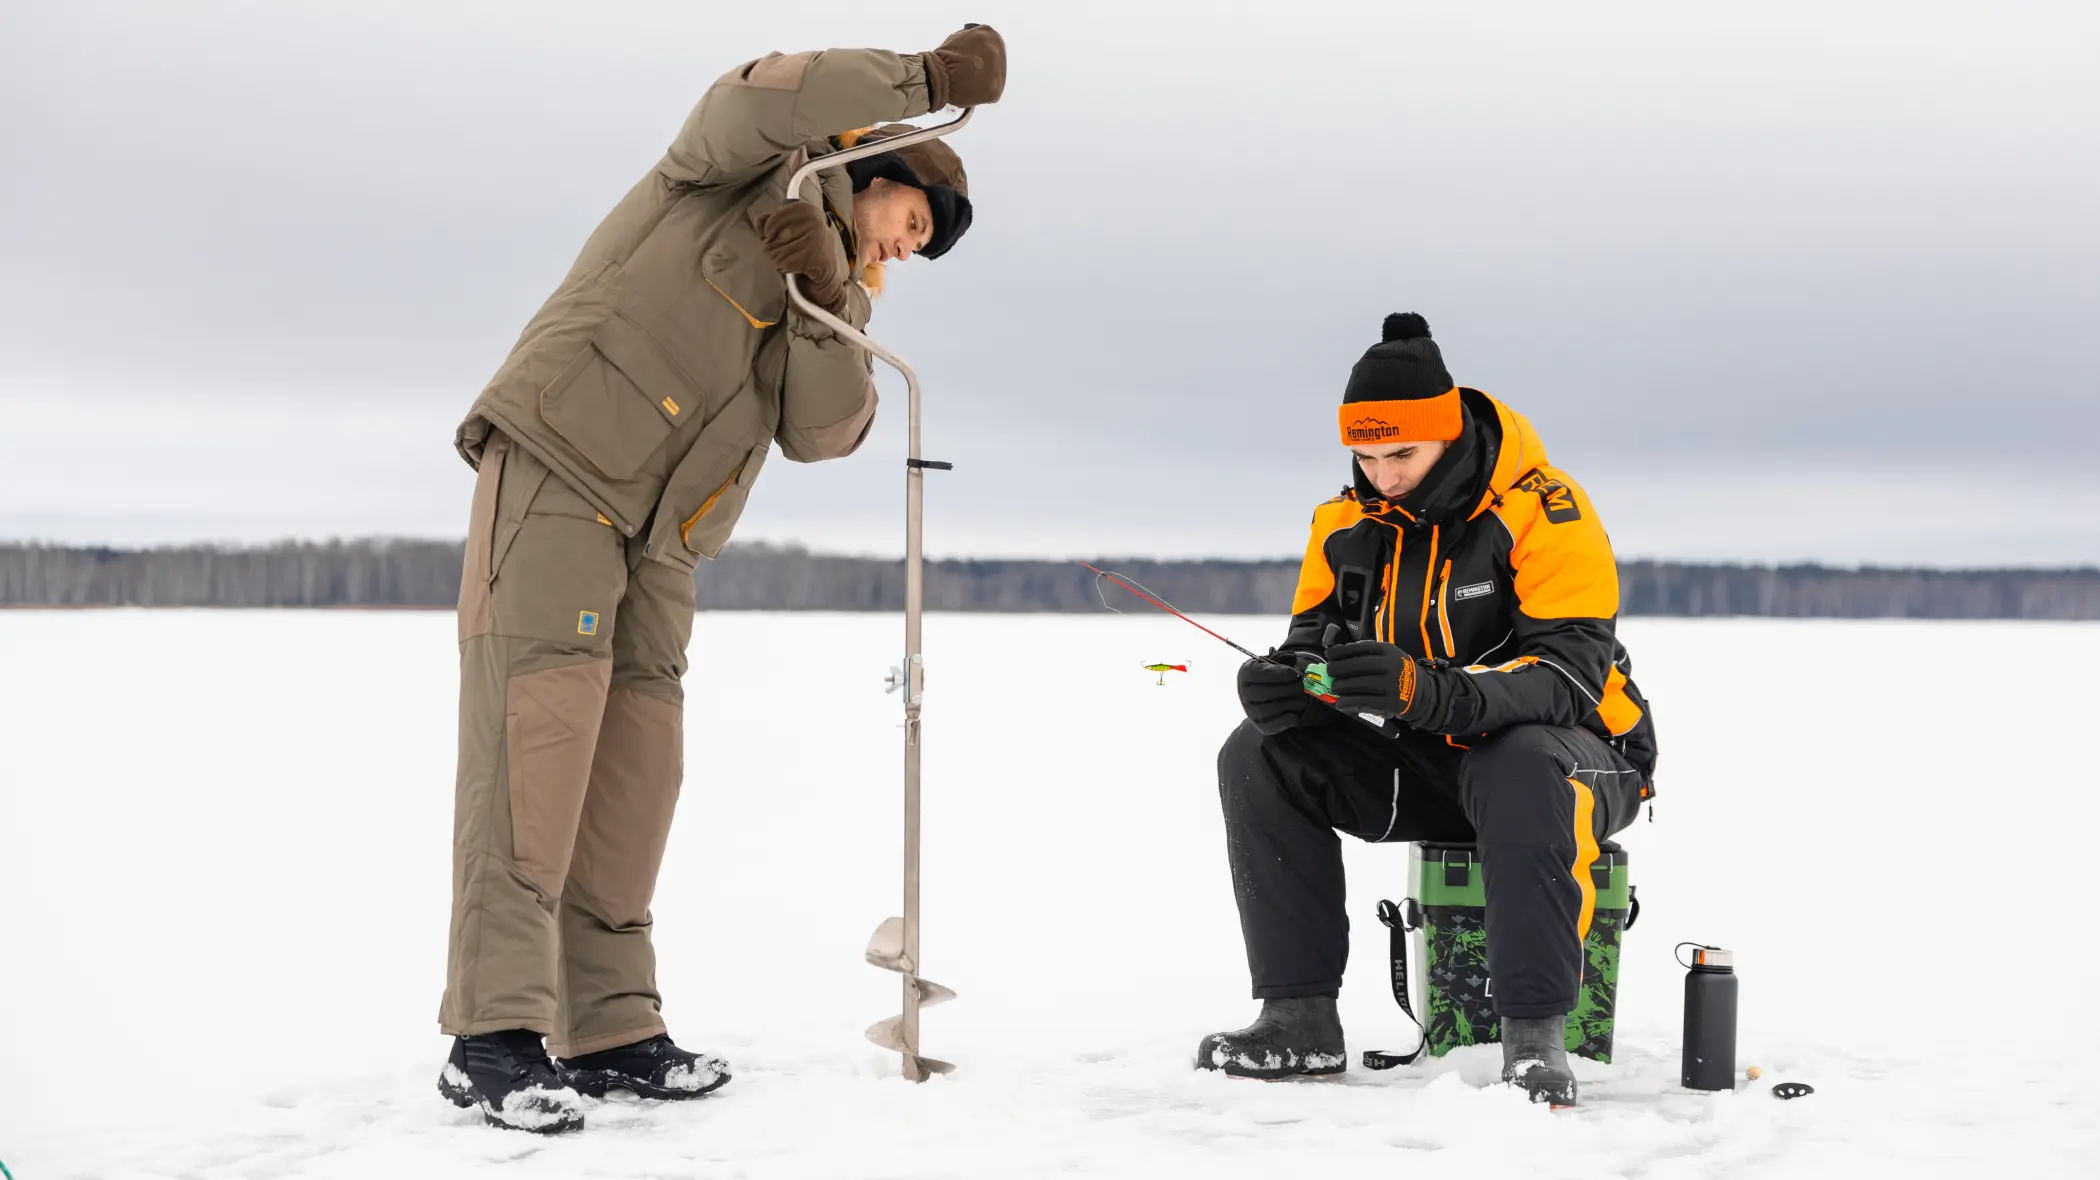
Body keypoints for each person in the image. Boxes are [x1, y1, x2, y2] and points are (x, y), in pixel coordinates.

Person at [434, 26, 1006, 1133]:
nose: (907, 246)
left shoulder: (835, 285)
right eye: (913, 220)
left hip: (662, 540)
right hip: (563, 465)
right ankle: (491, 1035)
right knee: (533, 749)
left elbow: (825, 429)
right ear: (882, 168)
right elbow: (755, 97)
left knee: (635, 776)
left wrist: (828, 281)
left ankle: (607, 1028)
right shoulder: (736, 166)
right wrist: (928, 83)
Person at [1198, 313, 1658, 1106]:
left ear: (1448, 437)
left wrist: (1426, 690)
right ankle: (1298, 1020)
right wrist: (1288, 689)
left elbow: (1569, 676)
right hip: (1438, 765)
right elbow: (1316, 642)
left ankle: (1534, 1039)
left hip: (1579, 762)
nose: (1383, 475)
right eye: (1367, 456)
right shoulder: (1344, 523)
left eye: (1402, 454)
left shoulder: (1545, 510)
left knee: (1516, 762)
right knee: (1258, 752)